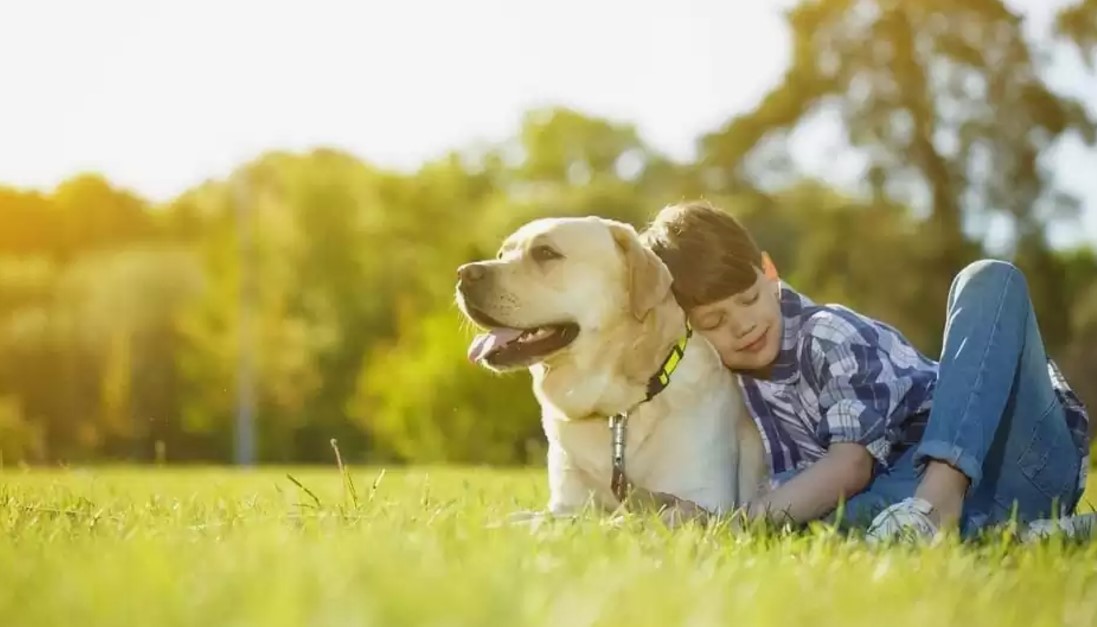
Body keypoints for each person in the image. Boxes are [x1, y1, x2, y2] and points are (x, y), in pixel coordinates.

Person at [639, 200, 1091, 541]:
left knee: (989, 278)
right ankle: (1018, 534)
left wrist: (738, 526)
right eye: (715, 322)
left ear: (770, 272)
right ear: (689, 330)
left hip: (1012, 457)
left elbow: (851, 465)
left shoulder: (825, 334)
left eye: (749, 299)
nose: (743, 325)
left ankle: (941, 498)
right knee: (826, 515)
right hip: (899, 497)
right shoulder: (732, 388)